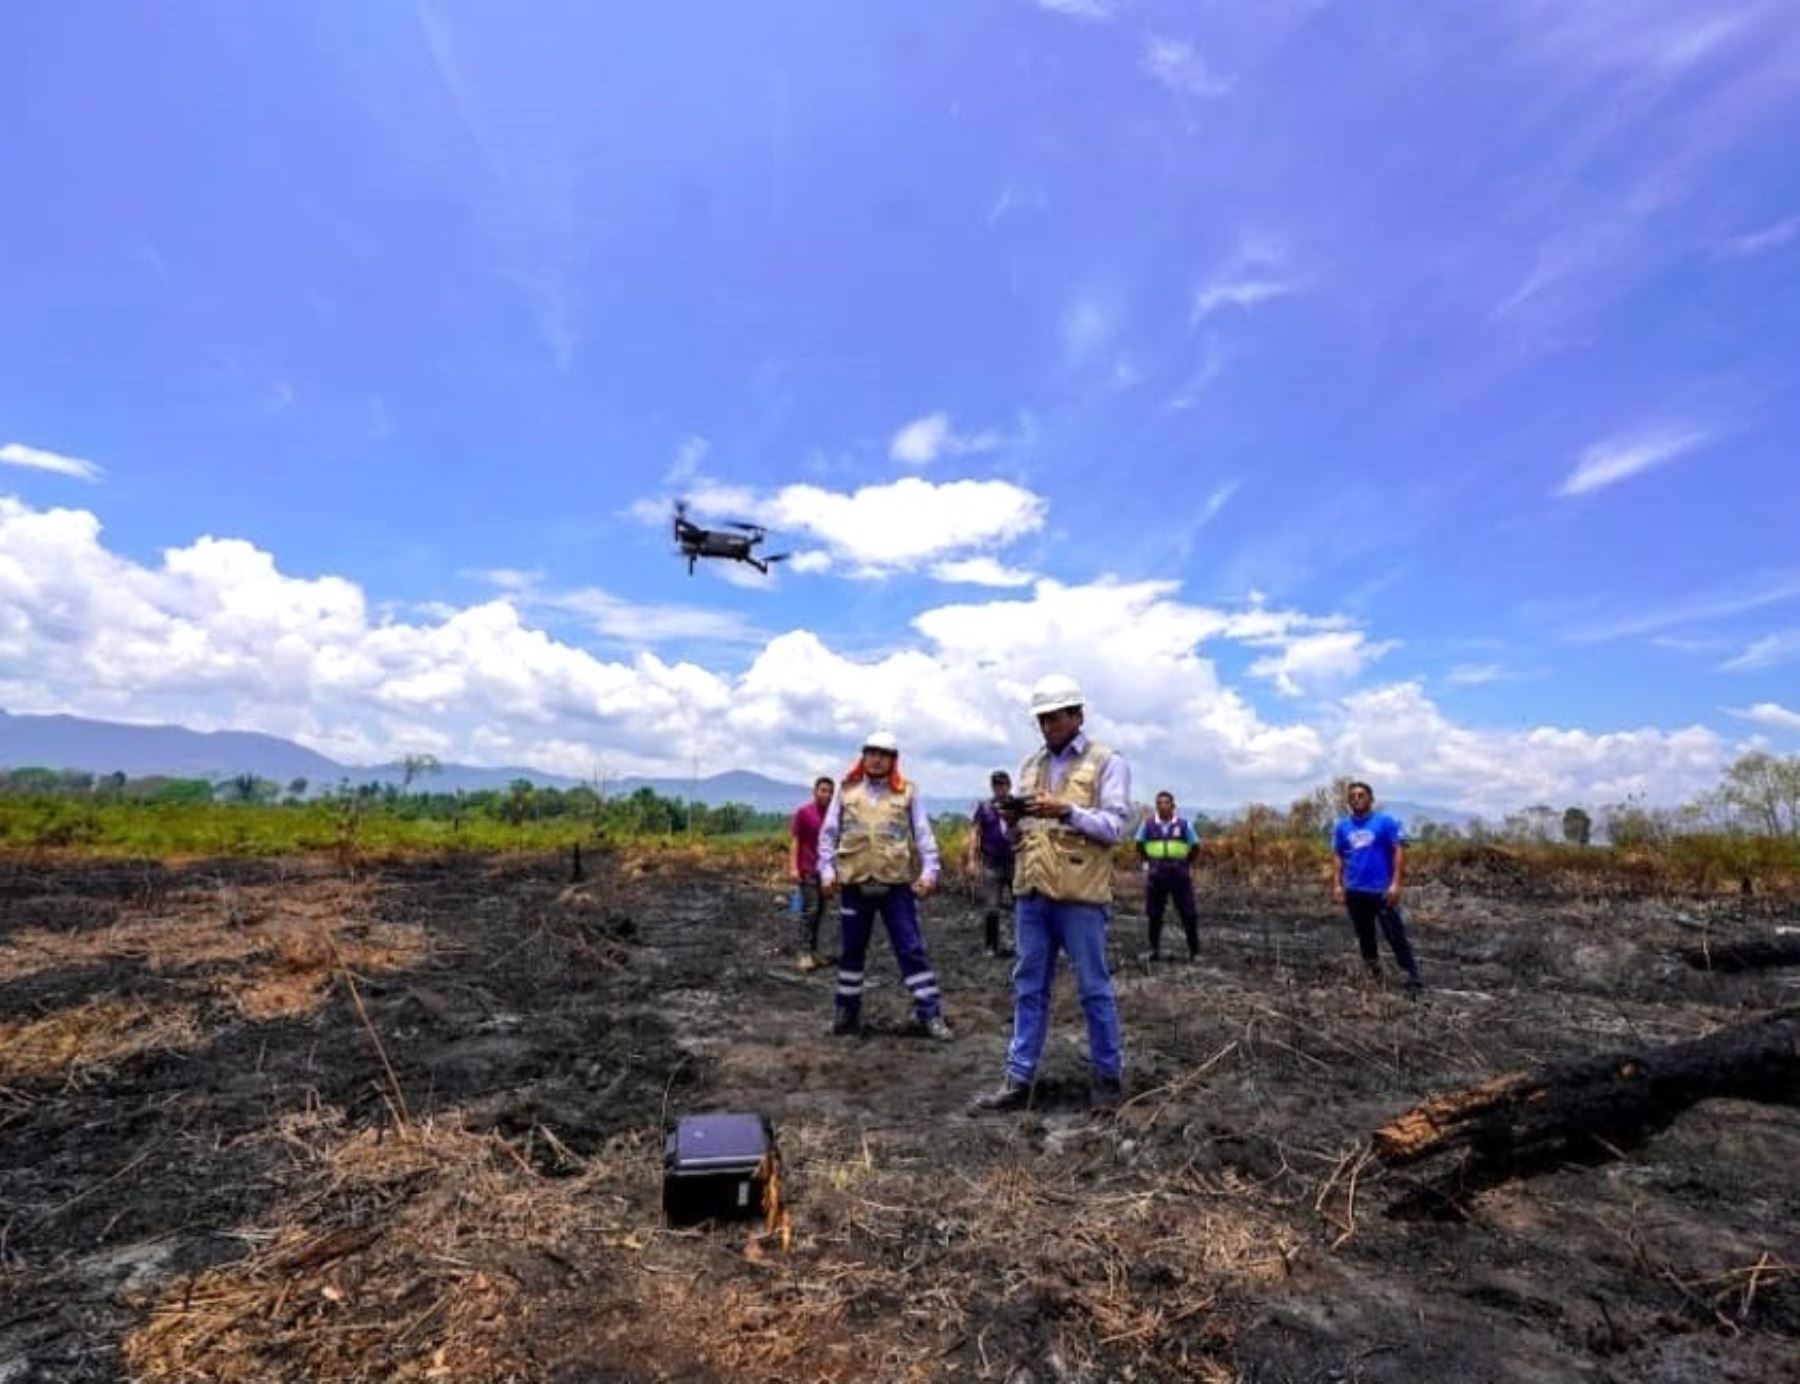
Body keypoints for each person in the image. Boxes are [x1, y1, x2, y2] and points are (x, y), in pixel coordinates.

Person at [970, 675, 1131, 1113]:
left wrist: (1068, 811)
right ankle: (1018, 1078)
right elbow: (1023, 829)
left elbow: (1115, 827)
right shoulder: (1030, 765)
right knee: (1028, 987)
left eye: (1055, 717)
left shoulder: (1106, 762)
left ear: (1077, 715)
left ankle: (1107, 1080)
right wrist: (1012, 818)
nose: (1048, 726)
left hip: (1080, 896)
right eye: (1042, 719)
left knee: (1094, 989)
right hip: (1032, 893)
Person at [817, 730, 953, 1041]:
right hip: (855, 884)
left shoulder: (907, 792)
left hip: (896, 887)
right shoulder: (846, 790)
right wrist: (826, 871)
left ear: (893, 760)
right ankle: (845, 1014)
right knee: (851, 951)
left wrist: (930, 871)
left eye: (883, 754)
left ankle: (930, 1015)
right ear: (863, 757)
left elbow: (923, 835)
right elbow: (828, 834)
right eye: (871, 753)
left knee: (911, 949)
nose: (876, 759)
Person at [1330, 781, 1422, 997]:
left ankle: (1412, 977)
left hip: (1381, 890)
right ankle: (1374, 976)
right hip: (1355, 890)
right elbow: (1337, 855)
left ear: (1371, 799)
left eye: (1361, 795)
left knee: (1394, 934)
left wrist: (1396, 883)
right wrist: (1337, 883)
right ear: (1348, 801)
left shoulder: (1385, 822)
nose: (1357, 799)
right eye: (1352, 796)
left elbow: (1398, 850)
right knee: (1365, 936)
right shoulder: (1342, 827)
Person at [1135, 791, 1200, 962]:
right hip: (1156, 876)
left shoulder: (1184, 825)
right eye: (1159, 803)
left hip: (1179, 876)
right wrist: (1149, 861)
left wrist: (1186, 863)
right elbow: (1139, 844)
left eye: (1166, 803)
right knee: (1154, 914)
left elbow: (1195, 846)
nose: (1163, 806)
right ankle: (1154, 951)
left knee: (1188, 913)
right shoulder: (1148, 825)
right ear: (1156, 806)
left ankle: (1194, 952)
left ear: (1173, 806)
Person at [965, 770, 1017, 959]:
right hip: (991, 863)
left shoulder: (1017, 806)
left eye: (1003, 784)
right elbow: (975, 834)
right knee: (992, 906)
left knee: (1021, 905)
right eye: (997, 785)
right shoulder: (985, 808)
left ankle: (1023, 944)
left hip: (1015, 862)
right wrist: (972, 860)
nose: (1000, 788)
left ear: (1009, 786)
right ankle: (991, 946)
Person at [788, 776, 834, 971]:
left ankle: (814, 951)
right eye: (823, 790)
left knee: (821, 911)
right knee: (810, 910)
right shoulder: (804, 813)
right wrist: (793, 867)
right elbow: (795, 841)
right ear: (815, 791)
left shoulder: (832, 815)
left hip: (826, 872)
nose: (826, 794)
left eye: (830, 791)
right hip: (807, 869)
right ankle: (803, 953)